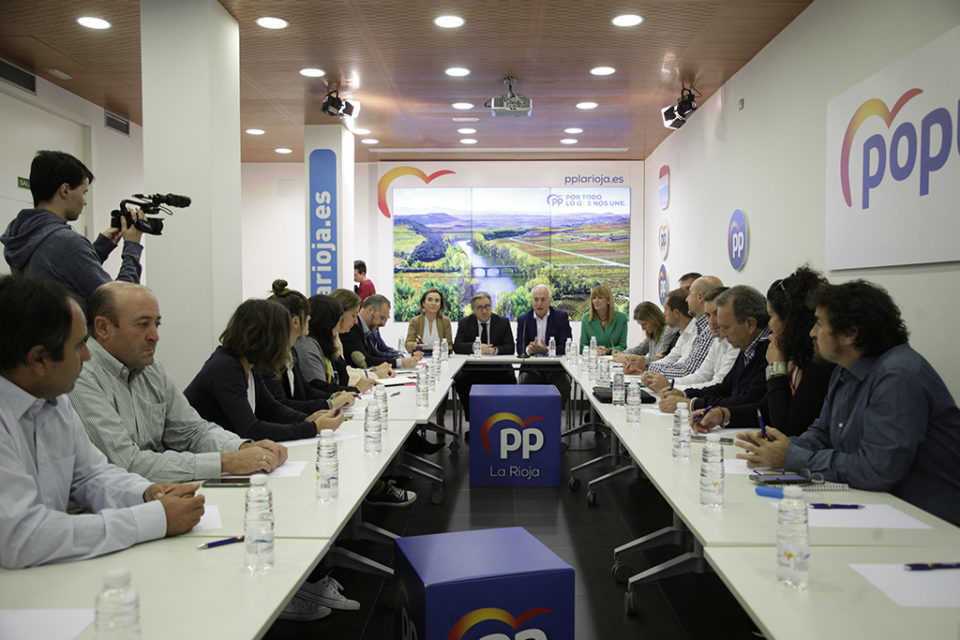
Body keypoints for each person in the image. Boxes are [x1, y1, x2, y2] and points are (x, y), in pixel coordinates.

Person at [0, 275, 204, 568]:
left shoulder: (54, 402)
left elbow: (91, 476)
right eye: (79, 346)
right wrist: (154, 518)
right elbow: (24, 536)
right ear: (39, 359)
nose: (86, 356)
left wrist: (147, 493)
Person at [735, 280, 960, 526]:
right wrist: (775, 447)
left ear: (850, 333)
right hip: (882, 511)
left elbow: (876, 469)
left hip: (931, 522)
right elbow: (822, 433)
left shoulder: (898, 377)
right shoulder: (846, 369)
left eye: (819, 323)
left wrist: (791, 456)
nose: (812, 332)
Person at [68, 282, 287, 482]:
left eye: (157, 324)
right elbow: (128, 463)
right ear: (103, 328)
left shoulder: (150, 369)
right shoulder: (81, 376)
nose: (155, 336)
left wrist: (241, 447)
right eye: (143, 324)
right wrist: (226, 462)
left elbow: (192, 431)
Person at [693, 267, 835, 435]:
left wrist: (777, 368)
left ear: (792, 321)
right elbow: (765, 408)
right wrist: (724, 414)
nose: (769, 324)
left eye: (773, 316)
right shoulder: (795, 358)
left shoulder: (819, 364)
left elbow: (786, 427)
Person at [183, 299, 346, 441]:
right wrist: (312, 428)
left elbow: (272, 409)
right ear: (268, 337)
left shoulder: (249, 364)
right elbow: (250, 428)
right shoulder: (226, 367)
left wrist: (308, 419)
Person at [1, 150, 146, 303]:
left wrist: (102, 246)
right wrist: (132, 247)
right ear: (65, 190)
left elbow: (60, 271)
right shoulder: (67, 243)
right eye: (83, 192)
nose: (84, 201)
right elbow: (119, 302)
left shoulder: (21, 234)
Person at [663, 285, 771, 412]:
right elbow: (724, 388)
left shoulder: (768, 350)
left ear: (750, 324)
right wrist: (685, 394)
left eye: (727, 327)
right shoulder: (747, 344)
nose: (723, 334)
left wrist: (692, 404)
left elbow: (747, 401)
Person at [261, 280, 356, 413]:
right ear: (295, 321)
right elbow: (281, 405)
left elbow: (305, 389)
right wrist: (328, 404)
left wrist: (332, 397)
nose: (310, 318)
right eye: (306, 315)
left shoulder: (291, 351)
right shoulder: (273, 356)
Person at [643, 286, 737, 396]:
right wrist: (669, 385)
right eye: (708, 315)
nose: (711, 321)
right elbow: (701, 375)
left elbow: (718, 384)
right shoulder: (716, 339)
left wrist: (670, 387)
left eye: (716, 314)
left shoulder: (734, 342)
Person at [453, 291, 516, 423]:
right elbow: (457, 346)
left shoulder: (502, 322)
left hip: (498, 368)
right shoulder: (464, 323)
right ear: (473, 309)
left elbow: (510, 347)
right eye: (480, 307)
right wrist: (476, 348)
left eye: (487, 306)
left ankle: (505, 420)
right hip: (473, 369)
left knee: (510, 378)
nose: (484, 311)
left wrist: (493, 350)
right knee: (460, 380)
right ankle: (473, 422)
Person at [642, 277, 722, 378]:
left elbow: (688, 371)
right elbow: (680, 363)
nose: (686, 299)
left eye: (689, 293)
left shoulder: (708, 329)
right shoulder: (698, 327)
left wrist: (647, 367)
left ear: (700, 297)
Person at [515, 284, 573, 400]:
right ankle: (529, 417)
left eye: (543, 299)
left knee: (563, 385)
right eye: (536, 299)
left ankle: (555, 417)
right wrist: (529, 349)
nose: (539, 303)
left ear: (550, 301)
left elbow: (567, 346)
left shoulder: (561, 317)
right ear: (532, 301)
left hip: (555, 368)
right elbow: (520, 348)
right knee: (526, 383)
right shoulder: (523, 320)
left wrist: (547, 350)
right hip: (531, 368)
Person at [340, 294, 421, 370]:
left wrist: (403, 358)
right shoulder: (351, 329)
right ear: (370, 310)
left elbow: (376, 353)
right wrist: (400, 362)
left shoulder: (368, 327)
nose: (383, 324)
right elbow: (366, 360)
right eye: (382, 318)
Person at [622, 289, 694, 375]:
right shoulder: (682, 333)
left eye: (666, 309)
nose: (664, 314)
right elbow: (669, 359)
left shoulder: (669, 330)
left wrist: (642, 364)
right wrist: (623, 355)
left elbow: (682, 370)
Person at [579, 285, 628, 355]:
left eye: (600, 298)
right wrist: (593, 350)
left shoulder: (621, 318)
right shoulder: (586, 318)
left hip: (613, 358)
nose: (596, 301)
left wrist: (609, 350)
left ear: (608, 300)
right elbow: (583, 345)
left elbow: (622, 345)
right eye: (593, 298)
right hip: (593, 358)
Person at [405, 288, 454, 353]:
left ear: (440, 304)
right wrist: (415, 345)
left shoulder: (446, 321)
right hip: (420, 358)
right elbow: (408, 344)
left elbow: (450, 345)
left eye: (437, 301)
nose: (433, 303)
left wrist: (443, 349)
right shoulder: (415, 321)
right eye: (430, 300)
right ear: (423, 303)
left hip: (439, 359)